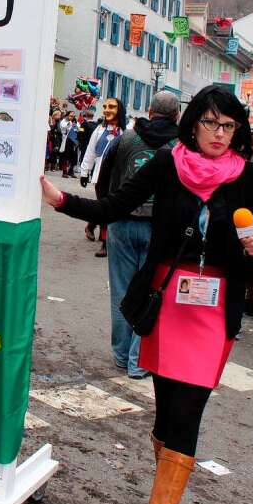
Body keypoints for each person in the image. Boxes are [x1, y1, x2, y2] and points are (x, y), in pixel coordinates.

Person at [40, 85, 253, 504]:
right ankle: (165, 465)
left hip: (215, 308)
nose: (219, 133)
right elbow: (116, 205)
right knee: (166, 413)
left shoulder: (248, 173)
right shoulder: (169, 162)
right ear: (193, 122)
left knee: (188, 409)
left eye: (228, 125)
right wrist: (63, 200)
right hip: (166, 301)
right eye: (210, 122)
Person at [94, 90, 179, 379]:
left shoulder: (125, 139)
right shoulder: (181, 145)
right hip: (162, 228)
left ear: (151, 111)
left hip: (122, 222)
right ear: (177, 114)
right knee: (153, 291)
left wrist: (107, 213)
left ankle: (120, 354)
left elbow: (103, 181)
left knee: (121, 289)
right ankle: (138, 360)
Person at [80, 97, 126, 258]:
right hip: (100, 176)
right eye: (105, 107)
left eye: (111, 107)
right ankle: (104, 242)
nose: (107, 110)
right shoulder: (99, 130)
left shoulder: (125, 132)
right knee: (105, 206)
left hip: (118, 177)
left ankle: (94, 228)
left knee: (109, 208)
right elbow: (91, 151)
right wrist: (85, 172)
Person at [58, 111, 79, 178]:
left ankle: (71, 171)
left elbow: (78, 129)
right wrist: (71, 125)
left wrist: (77, 128)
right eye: (71, 116)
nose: (72, 117)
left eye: (73, 116)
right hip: (66, 140)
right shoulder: (63, 122)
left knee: (74, 157)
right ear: (66, 115)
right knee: (65, 157)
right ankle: (64, 172)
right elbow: (64, 127)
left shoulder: (72, 122)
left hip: (73, 141)